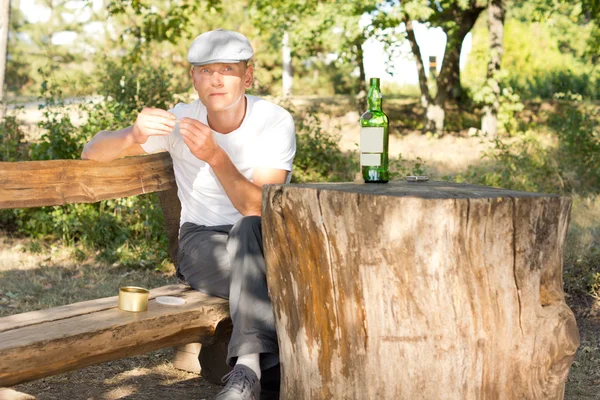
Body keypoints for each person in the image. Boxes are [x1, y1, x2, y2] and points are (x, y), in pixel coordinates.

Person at [81, 29, 296, 400]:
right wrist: (132, 134)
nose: (215, 79)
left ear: (247, 76)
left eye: (227, 69)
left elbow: (256, 208)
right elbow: (92, 152)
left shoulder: (273, 121)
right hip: (203, 243)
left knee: (248, 228)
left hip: (260, 239)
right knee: (280, 280)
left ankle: (245, 370)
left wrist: (215, 156)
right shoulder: (181, 120)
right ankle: (251, 368)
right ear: (193, 78)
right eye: (205, 70)